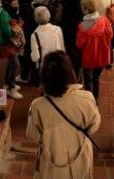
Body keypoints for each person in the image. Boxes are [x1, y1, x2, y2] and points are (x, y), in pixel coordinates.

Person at [26, 51, 100, 179]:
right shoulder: (87, 99)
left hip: (52, 161)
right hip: (80, 157)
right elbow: (93, 128)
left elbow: (32, 136)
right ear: (70, 73)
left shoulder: (38, 106)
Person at [76, 0, 113, 102]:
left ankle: (89, 99)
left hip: (89, 59)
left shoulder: (82, 26)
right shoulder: (105, 21)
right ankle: (96, 98)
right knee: (96, 78)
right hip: (102, 57)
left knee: (88, 80)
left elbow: (79, 44)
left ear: (86, 9)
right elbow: (110, 35)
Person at [0, 0, 23, 100]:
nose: (17, 2)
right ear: (8, 2)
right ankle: (10, 88)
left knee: (12, 63)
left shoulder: (7, 11)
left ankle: (8, 84)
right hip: (7, 43)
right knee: (15, 64)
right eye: (14, 0)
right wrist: (19, 26)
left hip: (9, 43)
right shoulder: (4, 14)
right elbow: (9, 32)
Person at [55, 0, 84, 76]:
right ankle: (76, 73)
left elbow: (58, 19)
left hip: (66, 33)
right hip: (78, 33)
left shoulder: (64, 4)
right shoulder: (81, 4)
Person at [91, 0, 114, 68]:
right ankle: (109, 62)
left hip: (97, 24)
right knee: (108, 42)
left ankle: (98, 60)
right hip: (109, 23)